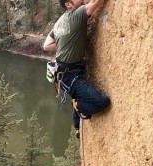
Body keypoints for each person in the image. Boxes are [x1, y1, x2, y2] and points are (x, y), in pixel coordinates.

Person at [43, 0, 111, 138]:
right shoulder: (77, 14)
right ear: (69, 5)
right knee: (102, 102)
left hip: (65, 71)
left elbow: (46, 45)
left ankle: (76, 125)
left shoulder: (60, 21)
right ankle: (78, 106)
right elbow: (96, 2)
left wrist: (65, 41)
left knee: (79, 92)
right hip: (69, 75)